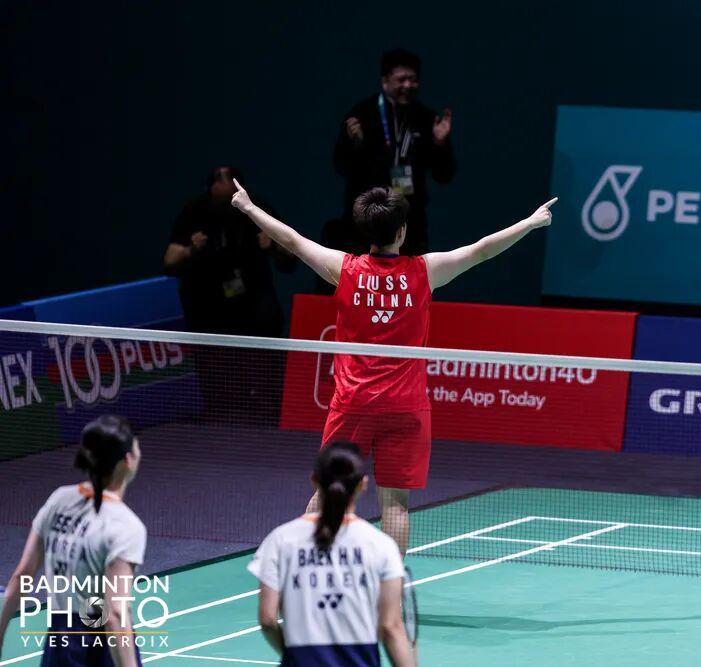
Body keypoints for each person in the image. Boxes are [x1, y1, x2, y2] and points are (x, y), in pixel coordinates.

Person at [231, 181, 556, 554]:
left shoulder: (344, 269)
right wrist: (530, 223)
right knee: (396, 505)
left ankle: (303, 569)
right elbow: (481, 250)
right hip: (405, 407)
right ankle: (391, 585)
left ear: (366, 231)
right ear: (401, 231)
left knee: (329, 493)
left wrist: (249, 208)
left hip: (353, 403)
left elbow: (292, 240)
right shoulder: (425, 271)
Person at [248, 442, 415, 667]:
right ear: (363, 485)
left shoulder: (280, 540)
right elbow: (391, 627)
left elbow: (268, 620)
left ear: (315, 481)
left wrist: (292, 655)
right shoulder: (381, 545)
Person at [0, 416, 146, 667]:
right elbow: (115, 613)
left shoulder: (59, 500)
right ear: (128, 460)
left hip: (61, 640)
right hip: (102, 644)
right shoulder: (126, 526)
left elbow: (22, 575)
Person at [332, 49, 456, 256]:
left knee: (413, 275)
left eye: (413, 80)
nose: (407, 85)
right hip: (367, 220)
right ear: (385, 81)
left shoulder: (427, 119)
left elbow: (444, 175)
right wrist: (353, 144)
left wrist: (439, 143)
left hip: (410, 223)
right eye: (401, 79)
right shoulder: (362, 115)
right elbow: (341, 166)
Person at [164, 166, 295, 337]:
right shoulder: (193, 211)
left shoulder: (258, 208)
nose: (223, 182)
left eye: (228, 177)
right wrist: (190, 250)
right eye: (218, 178)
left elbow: (290, 257)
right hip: (208, 307)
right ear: (210, 187)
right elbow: (169, 261)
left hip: (254, 306)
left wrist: (274, 243)